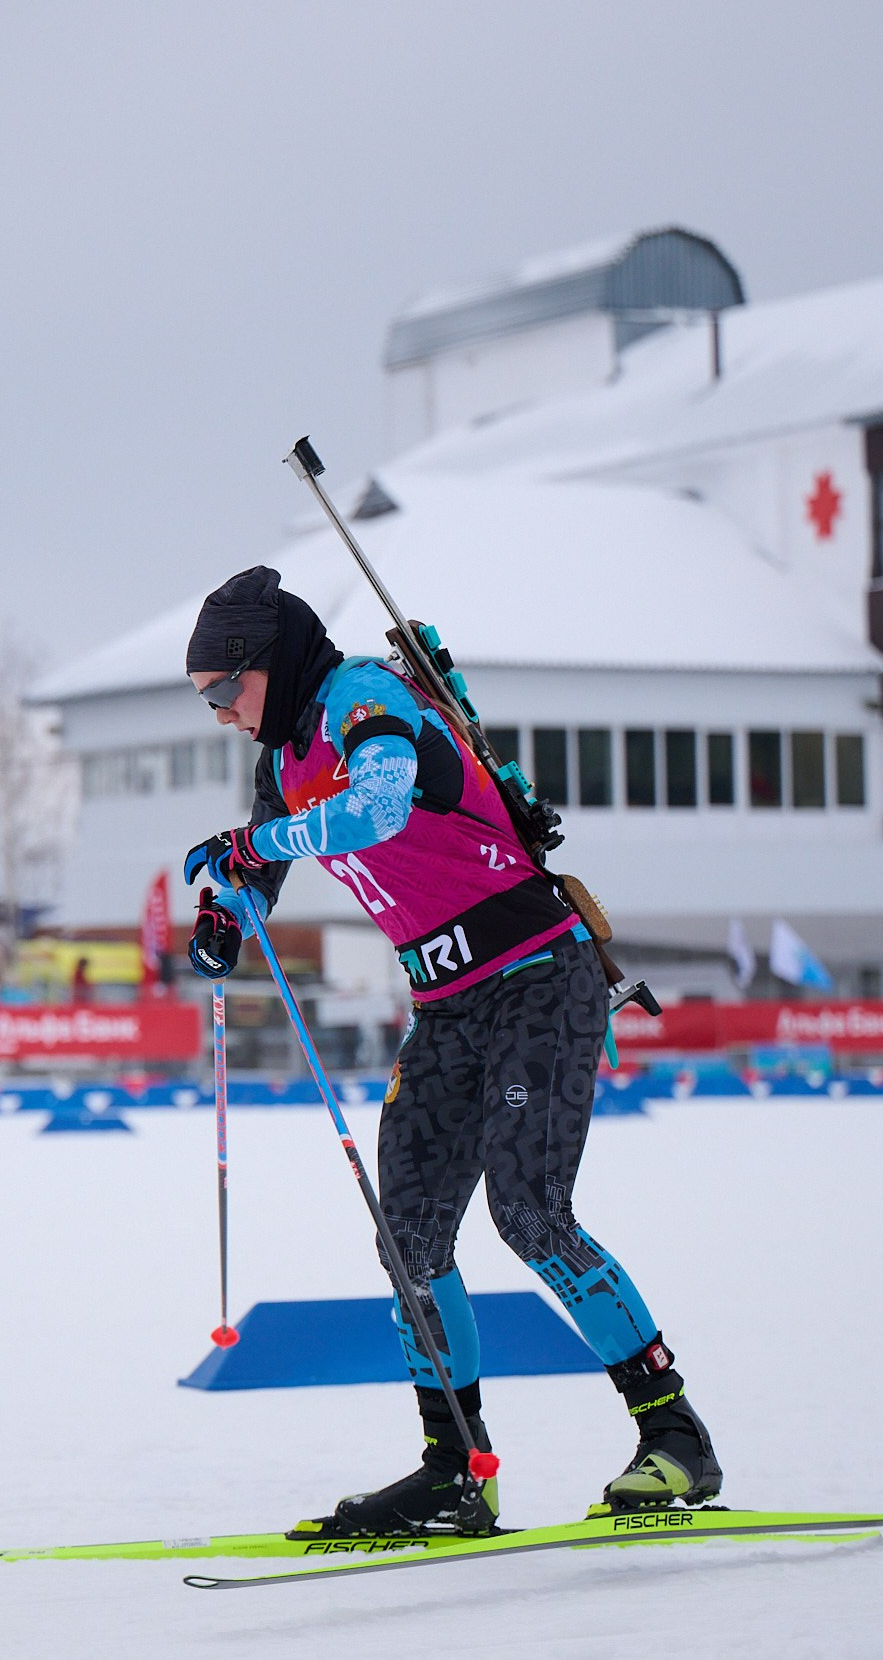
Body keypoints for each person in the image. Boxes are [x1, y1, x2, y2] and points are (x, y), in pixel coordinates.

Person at [177, 564, 719, 1540]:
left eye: (224, 689)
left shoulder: (363, 701)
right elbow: (270, 864)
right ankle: (456, 1471)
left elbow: (380, 808)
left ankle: (674, 1438)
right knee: (411, 1239)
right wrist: (228, 915)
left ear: (268, 665)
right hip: (448, 1009)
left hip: (538, 981)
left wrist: (259, 849)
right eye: (208, 699)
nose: (220, 713)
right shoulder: (283, 762)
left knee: (529, 1216)